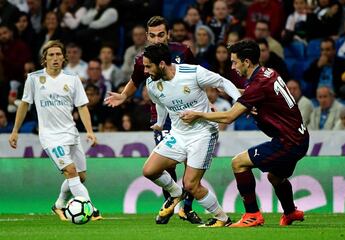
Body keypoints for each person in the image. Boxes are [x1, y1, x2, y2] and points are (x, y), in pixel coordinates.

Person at [181, 40, 309, 227]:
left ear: (247, 62)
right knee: (275, 176)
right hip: (300, 137)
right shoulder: (269, 73)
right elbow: (253, 94)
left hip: (287, 142)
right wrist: (228, 90)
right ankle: (290, 212)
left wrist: (199, 114)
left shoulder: (257, 85)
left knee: (238, 163)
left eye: (234, 62)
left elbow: (229, 117)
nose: (232, 67)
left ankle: (252, 214)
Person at [104, 15, 199, 224]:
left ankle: (187, 209)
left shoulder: (183, 52)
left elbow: (197, 78)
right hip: (162, 117)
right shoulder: (142, 60)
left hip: (188, 114)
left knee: (191, 163)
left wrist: (204, 105)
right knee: (167, 165)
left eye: (161, 35)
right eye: (153, 36)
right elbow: (134, 81)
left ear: (169, 34)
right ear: (147, 36)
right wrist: (124, 95)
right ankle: (174, 200)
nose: (157, 40)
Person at [143, 43, 241, 227]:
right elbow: (161, 103)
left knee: (191, 184)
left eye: (149, 66)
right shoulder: (152, 84)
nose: (146, 70)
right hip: (178, 134)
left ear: (162, 63)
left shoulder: (192, 72)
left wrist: (240, 101)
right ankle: (175, 193)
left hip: (203, 133)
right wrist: (160, 123)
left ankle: (223, 219)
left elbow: (222, 82)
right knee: (149, 171)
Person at [8, 40, 102, 221]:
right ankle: (91, 209)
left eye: (59, 54)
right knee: (71, 171)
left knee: (80, 177)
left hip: (71, 133)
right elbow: (24, 105)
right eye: (51, 55)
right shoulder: (34, 79)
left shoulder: (73, 79)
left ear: (64, 57)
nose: (55, 58)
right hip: (50, 137)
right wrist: (15, 131)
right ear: (44, 59)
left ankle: (59, 205)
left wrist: (89, 131)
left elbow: (82, 107)